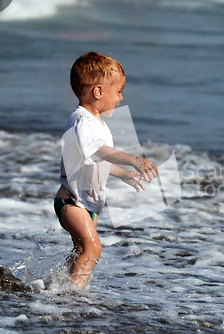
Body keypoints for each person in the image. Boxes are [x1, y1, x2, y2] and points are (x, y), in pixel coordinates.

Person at [54, 52, 158, 289]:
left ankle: (59, 286)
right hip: (71, 202)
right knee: (93, 248)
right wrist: (131, 159)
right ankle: (73, 297)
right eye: (119, 91)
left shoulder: (98, 122)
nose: (121, 98)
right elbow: (98, 151)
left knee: (81, 250)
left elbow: (95, 159)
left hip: (88, 203)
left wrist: (124, 174)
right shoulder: (81, 119)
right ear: (98, 92)